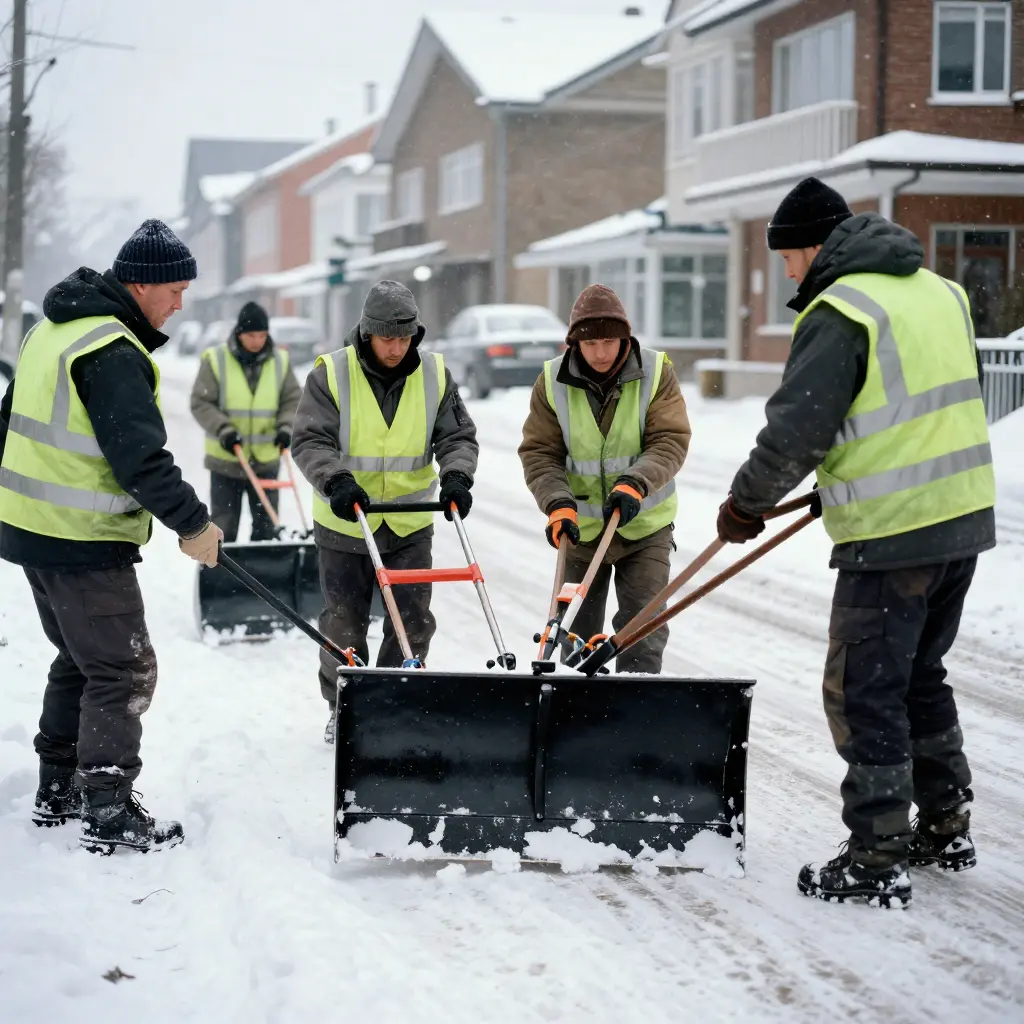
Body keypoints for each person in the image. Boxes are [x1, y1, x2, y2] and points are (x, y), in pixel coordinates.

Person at [717, 178, 996, 907]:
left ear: (816, 247)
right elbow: (913, 408)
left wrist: (745, 504)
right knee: (918, 676)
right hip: (960, 518)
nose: (787, 273)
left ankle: (876, 855)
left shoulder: (842, 310)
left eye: (788, 257)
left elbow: (798, 427)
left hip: (894, 534)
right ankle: (944, 823)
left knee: (865, 689)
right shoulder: (940, 292)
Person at [0, 219, 225, 854]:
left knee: (81, 659)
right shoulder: (112, 350)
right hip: (80, 538)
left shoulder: (54, 330)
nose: (180, 304)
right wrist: (194, 524)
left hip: (31, 530)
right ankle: (107, 807)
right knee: (124, 670)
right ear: (142, 284)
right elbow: (140, 460)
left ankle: (58, 790)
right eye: (175, 290)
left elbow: (6, 420)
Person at [291, 281, 479, 741]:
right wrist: (335, 479)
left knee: (412, 621)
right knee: (344, 623)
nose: (396, 348)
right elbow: (310, 439)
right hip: (345, 519)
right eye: (387, 339)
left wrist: (457, 475)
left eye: (405, 338)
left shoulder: (434, 373)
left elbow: (457, 436)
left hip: (411, 520)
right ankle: (345, 708)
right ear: (367, 333)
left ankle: (394, 703)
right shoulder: (331, 374)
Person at [518, 284, 691, 673]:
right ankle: (578, 720)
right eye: (590, 342)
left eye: (610, 341)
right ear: (574, 343)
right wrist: (557, 503)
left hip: (643, 527)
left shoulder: (656, 372)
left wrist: (636, 482)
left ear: (625, 337)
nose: (600, 352)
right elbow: (540, 453)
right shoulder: (552, 382)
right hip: (580, 532)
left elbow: (670, 440)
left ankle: (635, 717)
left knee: (641, 632)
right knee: (575, 641)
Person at [190, 301, 301, 541]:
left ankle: (262, 578)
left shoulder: (280, 361)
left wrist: (285, 427)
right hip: (227, 461)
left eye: (262, 335)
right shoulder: (216, 359)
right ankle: (222, 576)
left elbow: (293, 400)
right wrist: (224, 430)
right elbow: (201, 402)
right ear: (239, 334)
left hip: (266, 460)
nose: (257, 341)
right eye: (251, 335)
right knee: (223, 529)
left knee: (267, 530)